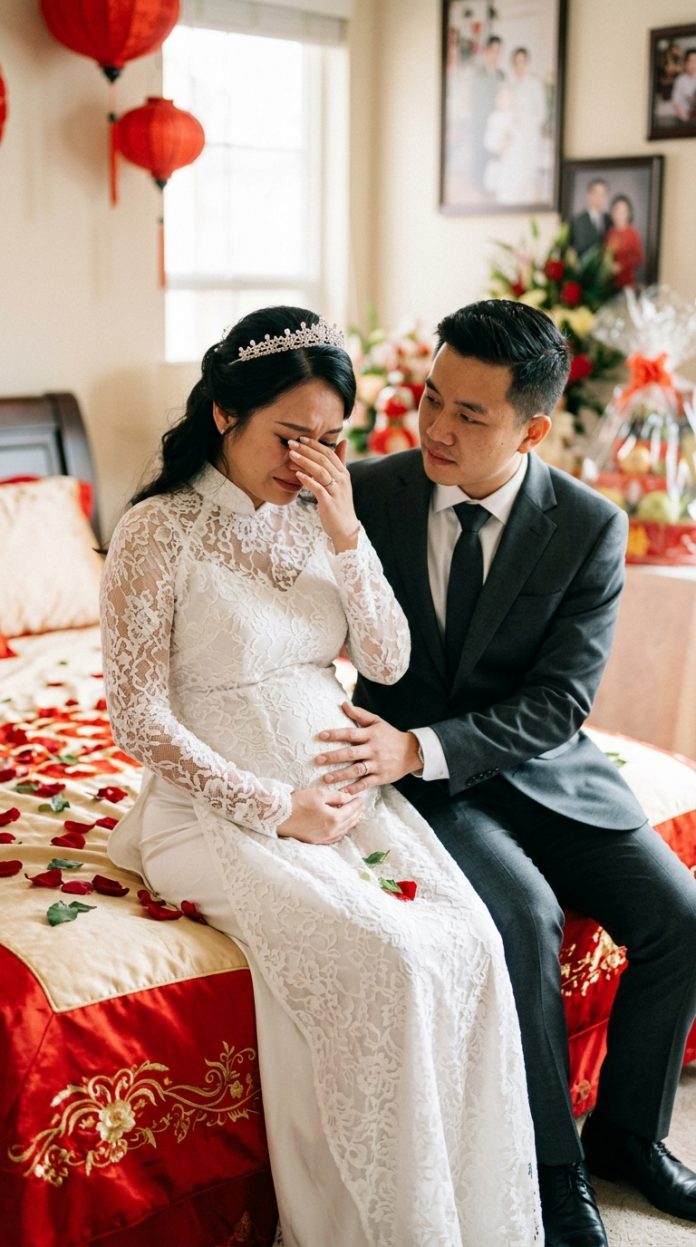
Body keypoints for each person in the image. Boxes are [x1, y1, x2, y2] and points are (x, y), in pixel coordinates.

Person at [100, 305, 542, 1247]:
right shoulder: (156, 530)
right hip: (217, 809)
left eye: (331, 441)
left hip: (344, 796)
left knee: (469, 938)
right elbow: (137, 718)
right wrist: (277, 807)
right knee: (386, 959)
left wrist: (343, 531)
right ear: (225, 412)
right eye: (290, 435)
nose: (309, 460)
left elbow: (385, 660)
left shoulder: (319, 519)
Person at [313, 300, 696, 1247]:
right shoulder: (370, 495)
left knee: (683, 917)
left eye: (469, 414)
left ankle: (629, 1137)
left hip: (541, 770)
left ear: (532, 429)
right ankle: (554, 1168)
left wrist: (425, 743)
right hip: (424, 786)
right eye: (432, 397)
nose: (436, 427)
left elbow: (560, 702)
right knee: (523, 915)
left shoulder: (590, 525)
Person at [604, 194, 644, 288]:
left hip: (626, 284)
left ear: (628, 214)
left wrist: (621, 266)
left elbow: (639, 258)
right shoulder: (610, 233)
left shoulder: (632, 233)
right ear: (612, 213)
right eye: (617, 210)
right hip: (608, 283)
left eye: (623, 211)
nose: (620, 214)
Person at [569, 178, 612, 256]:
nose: (599, 198)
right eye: (596, 194)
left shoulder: (609, 220)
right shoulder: (577, 221)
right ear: (588, 195)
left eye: (603, 194)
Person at [671, 47, 696, 123]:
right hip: (684, 119)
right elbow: (676, 102)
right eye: (691, 61)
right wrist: (686, 118)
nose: (694, 64)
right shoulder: (680, 80)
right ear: (686, 63)